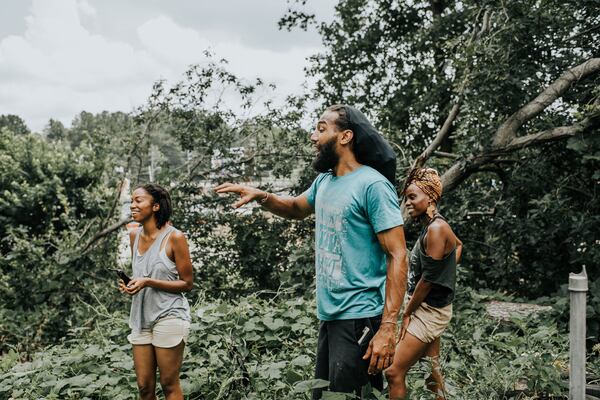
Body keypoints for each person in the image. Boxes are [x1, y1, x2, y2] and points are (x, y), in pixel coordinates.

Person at [215, 105, 409, 399]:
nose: (312, 136)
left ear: (345, 136)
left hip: (359, 316)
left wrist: (387, 328)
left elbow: (398, 255)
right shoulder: (325, 181)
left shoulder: (373, 185)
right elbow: (295, 208)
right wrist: (262, 196)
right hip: (330, 315)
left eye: (321, 128)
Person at [384, 168, 463, 400]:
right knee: (432, 370)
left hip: (427, 311)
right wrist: (444, 271)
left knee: (393, 371)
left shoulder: (437, 229)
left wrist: (407, 313)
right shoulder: (433, 226)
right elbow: (458, 246)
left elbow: (427, 281)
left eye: (412, 197)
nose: (408, 203)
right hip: (428, 306)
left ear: (430, 197)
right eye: (406, 197)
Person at [119, 183, 194, 400]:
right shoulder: (134, 236)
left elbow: (187, 284)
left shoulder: (175, 237)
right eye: (131, 201)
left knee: (169, 384)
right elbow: (141, 276)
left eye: (138, 200)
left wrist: (148, 282)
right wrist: (131, 285)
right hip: (141, 317)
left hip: (169, 315)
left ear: (155, 206)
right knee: (144, 386)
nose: (132, 205)